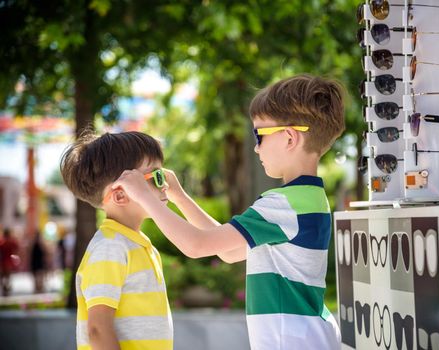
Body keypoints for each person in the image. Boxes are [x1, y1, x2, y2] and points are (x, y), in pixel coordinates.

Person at [113, 74, 346, 349]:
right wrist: (179, 196)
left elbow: (197, 245)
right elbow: (229, 251)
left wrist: (142, 194)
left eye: (259, 134)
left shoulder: (283, 204)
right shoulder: (307, 199)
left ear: (290, 137)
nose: (256, 147)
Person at [60, 131, 173, 350]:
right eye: (157, 176)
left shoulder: (136, 244)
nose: (165, 184)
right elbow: (98, 328)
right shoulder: (110, 248)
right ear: (120, 195)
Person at [0, 227, 20, 296]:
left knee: (2, 276)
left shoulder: (2, 241)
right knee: (8, 276)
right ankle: (7, 287)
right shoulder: (11, 241)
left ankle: (4, 287)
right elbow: (17, 248)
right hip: (8, 260)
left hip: (2, 261)